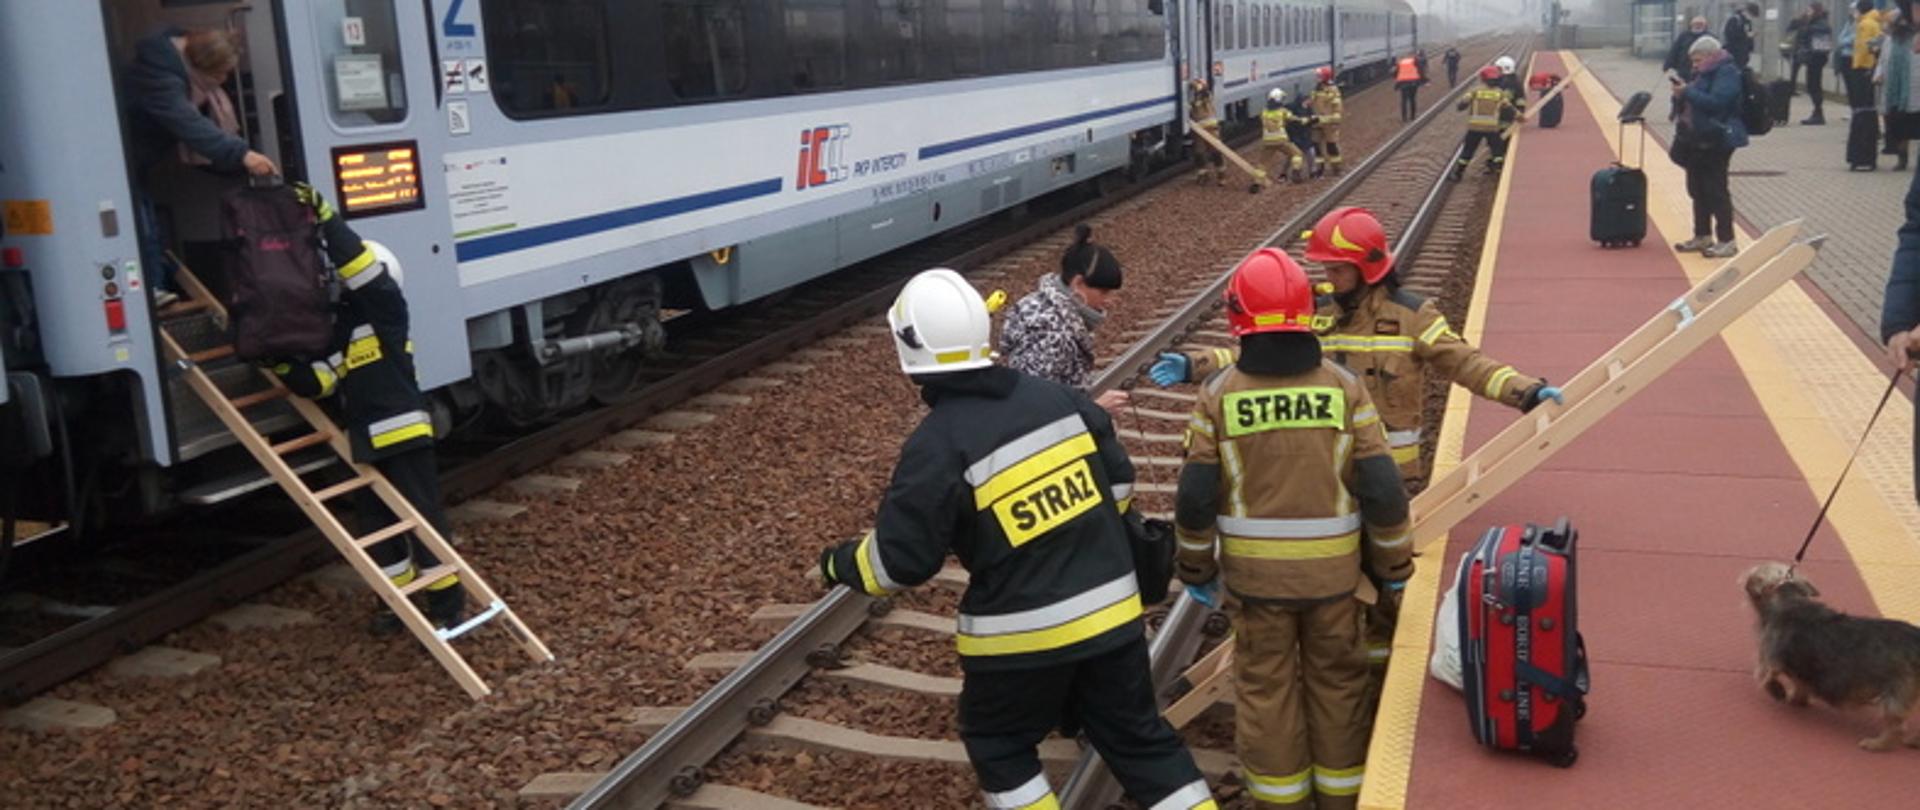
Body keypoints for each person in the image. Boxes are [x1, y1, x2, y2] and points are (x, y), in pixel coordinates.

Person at [818, 269, 1218, 810]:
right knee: (1140, 741)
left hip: (1019, 641)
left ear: (907, 347)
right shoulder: (1058, 399)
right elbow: (1120, 485)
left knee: (1000, 745)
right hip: (1113, 620)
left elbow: (899, 564)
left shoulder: (935, 447)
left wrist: (838, 563)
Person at [1171, 248, 1413, 810]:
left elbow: (1196, 497)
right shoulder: (1344, 387)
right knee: (1339, 686)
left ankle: (1281, 804)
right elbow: (1382, 489)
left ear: (1238, 316)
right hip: (1335, 580)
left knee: (1266, 693)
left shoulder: (1218, 395)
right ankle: (1342, 800)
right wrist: (1394, 565)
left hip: (1256, 586)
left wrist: (1195, 569)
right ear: (1308, 312)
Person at [275, 184, 464, 632]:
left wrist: (327, 219)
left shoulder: (388, 311)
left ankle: (446, 607)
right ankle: (397, 605)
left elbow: (365, 274)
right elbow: (321, 382)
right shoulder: (344, 332)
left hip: (404, 439)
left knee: (422, 520)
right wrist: (280, 365)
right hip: (363, 445)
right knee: (378, 527)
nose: (344, 282)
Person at [126, 27, 278, 308]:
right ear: (202, 66)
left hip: (137, 162)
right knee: (143, 227)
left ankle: (155, 286)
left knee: (148, 224)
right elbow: (188, 123)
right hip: (124, 164)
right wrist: (242, 154)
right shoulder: (161, 79)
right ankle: (151, 291)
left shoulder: (170, 62)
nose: (223, 80)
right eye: (220, 74)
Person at [999, 225, 1131, 412]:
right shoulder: (1054, 334)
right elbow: (1034, 411)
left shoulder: (1038, 304)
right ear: (1078, 283)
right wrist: (1095, 410)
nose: (1110, 300)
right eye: (1104, 292)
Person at [1671, 35, 1750, 258]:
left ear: (1710, 56)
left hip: (1717, 138)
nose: (1694, 65)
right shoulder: (1703, 73)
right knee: (1697, 188)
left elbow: (1717, 103)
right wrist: (1679, 96)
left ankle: (1727, 240)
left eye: (1697, 60)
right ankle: (1702, 235)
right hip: (1696, 138)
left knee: (1716, 189)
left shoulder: (1727, 72)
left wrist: (1687, 92)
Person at [1451, 66, 1517, 179]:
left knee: (1468, 151)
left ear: (1483, 79)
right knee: (1497, 150)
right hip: (1492, 128)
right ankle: (1499, 171)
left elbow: (1462, 104)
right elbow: (1509, 108)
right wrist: (1520, 117)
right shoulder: (1499, 93)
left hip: (1474, 127)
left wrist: (1460, 106)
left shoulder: (1475, 91)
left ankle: (1458, 173)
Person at [1876, 1, 1917, 170]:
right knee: (1900, 128)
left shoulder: (1916, 39)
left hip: (1915, 92)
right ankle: (1902, 158)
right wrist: (1879, 74)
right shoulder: (1889, 41)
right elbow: (1883, 60)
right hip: (1896, 94)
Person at [1666, 17, 1713, 120]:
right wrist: (1668, 65)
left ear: (1705, 26)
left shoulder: (1709, 38)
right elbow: (1675, 50)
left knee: (1693, 91)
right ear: (1691, 25)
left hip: (1700, 71)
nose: (1698, 26)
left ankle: (1689, 112)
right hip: (1684, 69)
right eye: (1696, 24)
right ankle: (1675, 110)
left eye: (1701, 24)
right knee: (1678, 92)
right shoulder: (1684, 36)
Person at [1261, 89, 1309, 183]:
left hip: (1267, 141)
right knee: (1297, 154)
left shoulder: (1264, 112)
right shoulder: (1282, 111)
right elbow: (1293, 118)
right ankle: (1296, 171)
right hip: (1281, 140)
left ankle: (1257, 183)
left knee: (1262, 164)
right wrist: (1303, 120)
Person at [1848, 0, 1885, 112]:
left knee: (1862, 96)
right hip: (1872, 62)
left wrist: (1857, 64)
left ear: (1860, 9)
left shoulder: (1864, 24)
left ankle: (1863, 119)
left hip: (1864, 64)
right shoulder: (1875, 21)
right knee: (1869, 96)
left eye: (1856, 10)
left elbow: (1863, 46)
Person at [1802, 3, 1836, 125]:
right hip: (1813, 57)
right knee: (1812, 85)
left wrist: (1808, 28)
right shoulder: (1813, 22)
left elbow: (1821, 33)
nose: (1807, 12)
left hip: (1816, 58)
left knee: (1814, 85)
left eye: (1809, 10)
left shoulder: (1820, 24)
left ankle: (1818, 113)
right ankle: (1817, 111)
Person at [1309, 67, 1346, 175]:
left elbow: (1337, 108)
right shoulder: (1316, 89)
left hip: (1329, 124)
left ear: (1324, 77)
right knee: (1316, 145)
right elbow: (1312, 103)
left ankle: (1337, 168)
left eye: (1319, 76)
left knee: (1331, 145)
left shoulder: (1333, 90)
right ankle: (1320, 168)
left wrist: (1334, 121)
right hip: (1317, 123)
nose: (1317, 78)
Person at [1191, 78, 1227, 186]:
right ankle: (1203, 175)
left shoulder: (1207, 96)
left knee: (1216, 152)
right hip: (1199, 129)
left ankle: (1221, 176)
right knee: (1199, 153)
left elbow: (1205, 93)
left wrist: (1199, 86)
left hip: (1211, 128)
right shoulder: (1194, 100)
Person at [1725, 3, 1759, 68]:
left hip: (1744, 55)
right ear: (1747, 12)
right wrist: (1746, 35)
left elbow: (1748, 34)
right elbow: (1730, 35)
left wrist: (1750, 49)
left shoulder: (1747, 22)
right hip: (1734, 53)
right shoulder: (1735, 20)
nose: (1752, 18)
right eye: (1752, 15)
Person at [1395, 52, 1423, 122]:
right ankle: (1412, 116)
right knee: (1412, 99)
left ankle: (1404, 118)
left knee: (1404, 100)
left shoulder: (1401, 62)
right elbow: (1420, 71)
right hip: (1413, 83)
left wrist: (1397, 83)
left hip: (1403, 83)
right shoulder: (1415, 61)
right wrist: (1423, 81)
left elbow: (1396, 73)